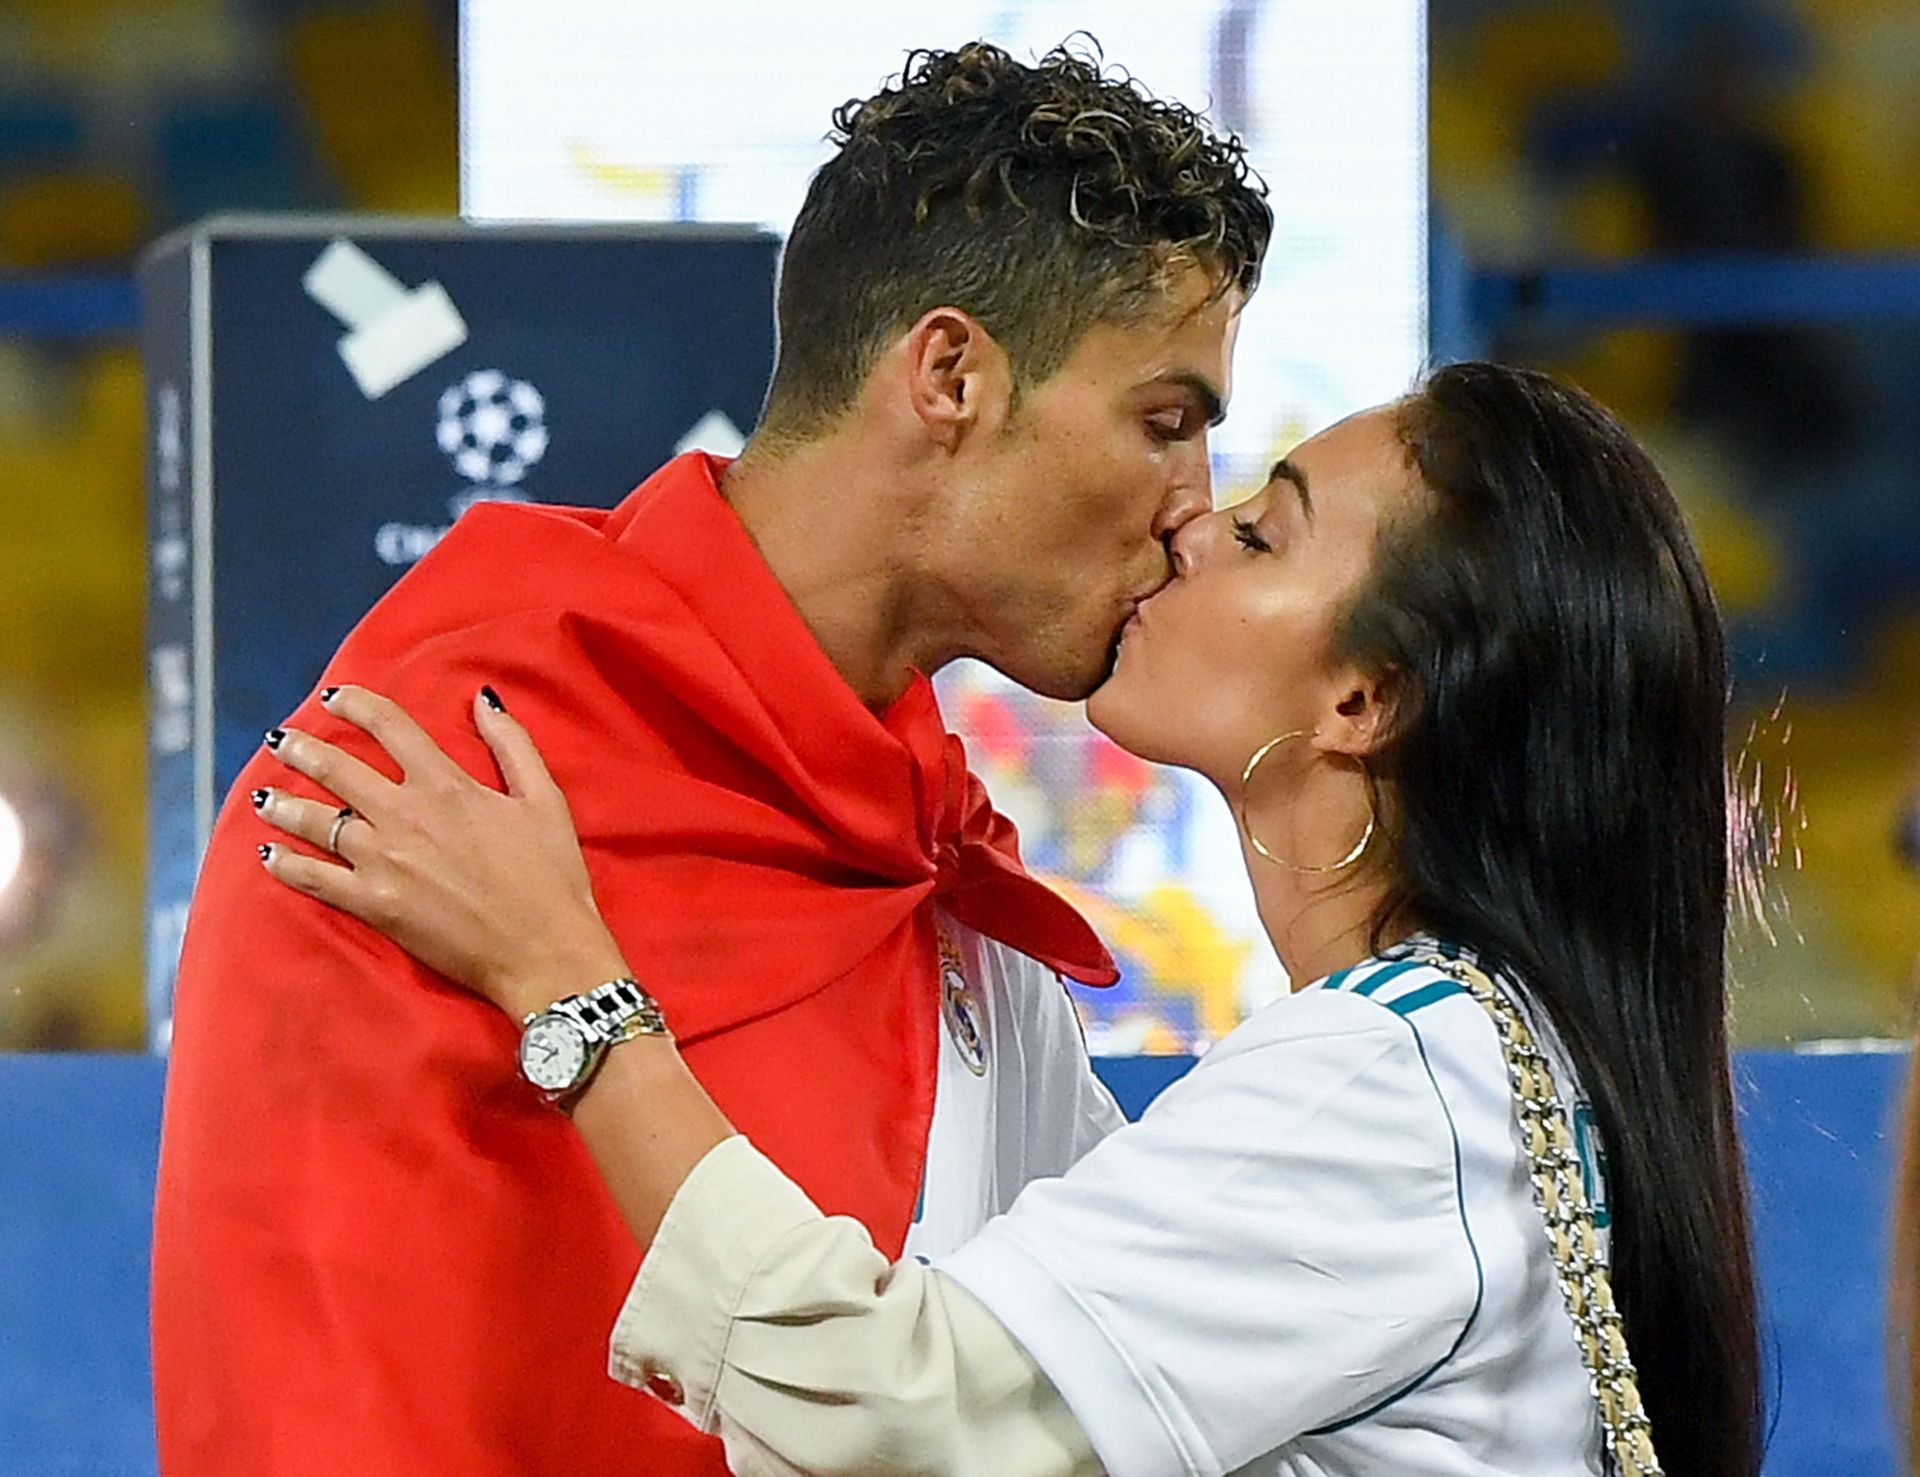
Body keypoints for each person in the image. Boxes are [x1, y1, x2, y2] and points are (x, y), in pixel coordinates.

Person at [255, 362, 1766, 1476]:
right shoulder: (1463, 1062)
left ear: (1365, 700)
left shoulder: (1391, 1081)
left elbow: (894, 1413)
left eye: (1259, 532)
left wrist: (566, 983)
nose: (1187, 528)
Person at [149, 41, 1271, 1477]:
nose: (1194, 513)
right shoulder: (415, 788)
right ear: (950, 375)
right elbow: (299, 1418)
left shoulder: (935, 871)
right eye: (1164, 425)